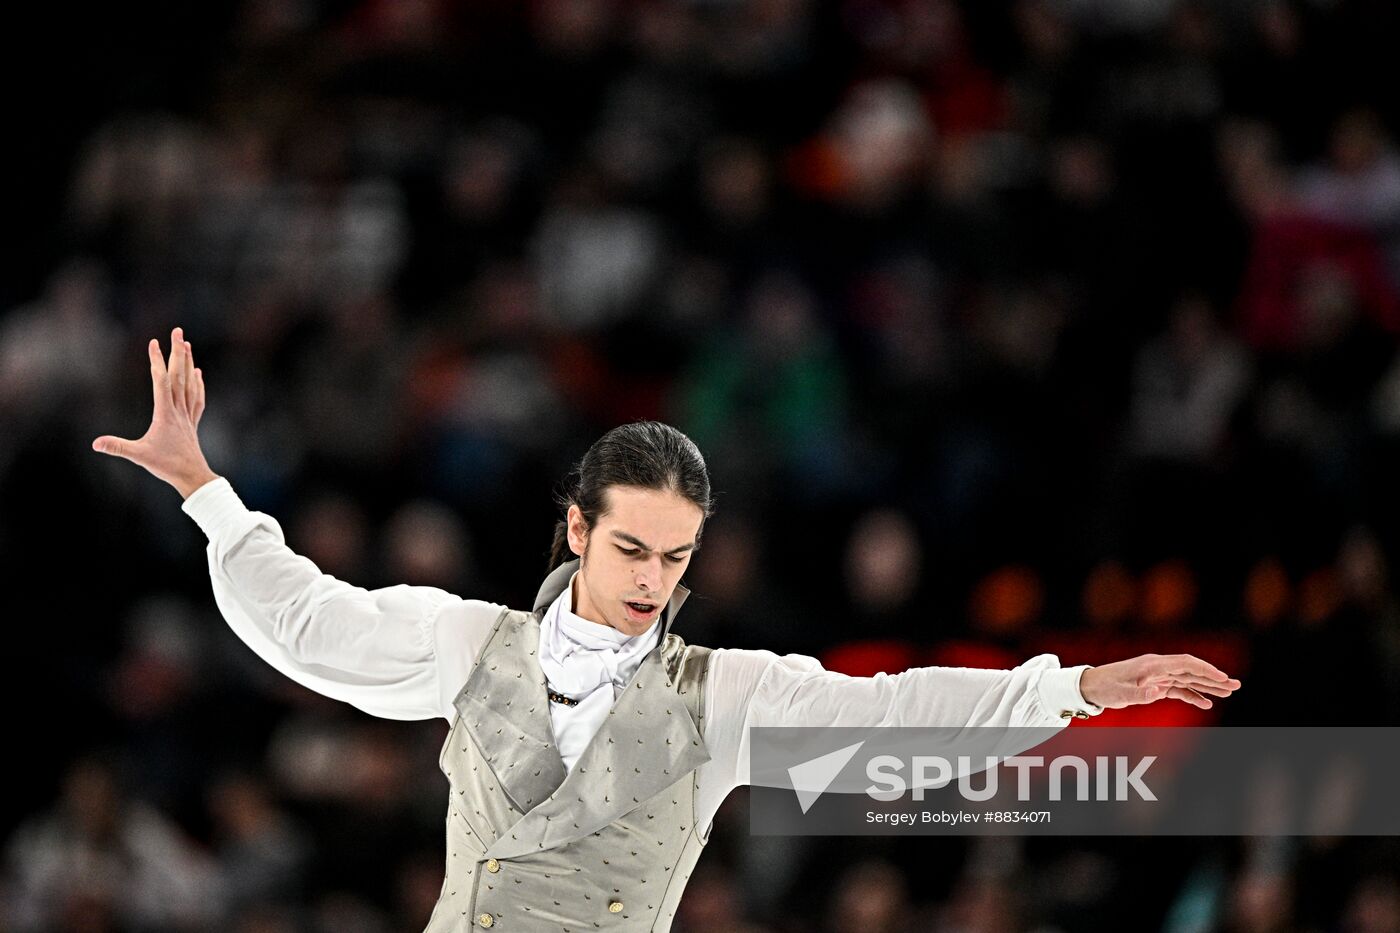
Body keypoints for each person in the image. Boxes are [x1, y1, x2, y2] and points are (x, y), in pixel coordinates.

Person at [93, 329, 1242, 931]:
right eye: (631, 549)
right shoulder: (466, 643)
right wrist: (205, 490)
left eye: (676, 558)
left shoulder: (719, 696)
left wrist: (1075, 691)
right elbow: (307, 624)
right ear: (575, 531)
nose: (652, 580)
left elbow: (896, 712)